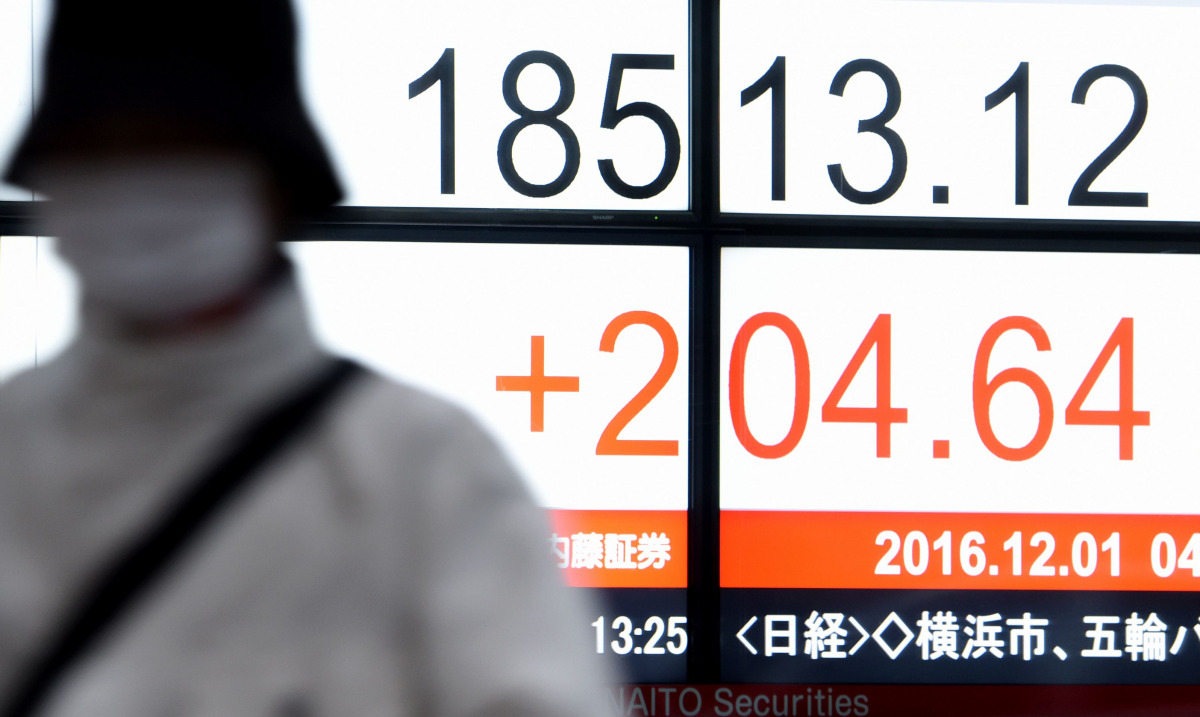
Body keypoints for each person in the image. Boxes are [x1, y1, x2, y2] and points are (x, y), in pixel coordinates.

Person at [0, 1, 614, 716]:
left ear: (277, 183)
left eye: (185, 145)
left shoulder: (420, 466)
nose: (137, 186)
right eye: (98, 150)